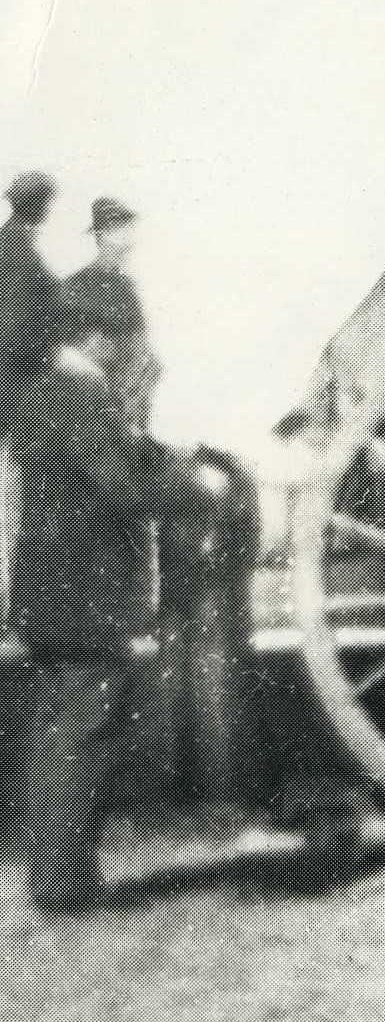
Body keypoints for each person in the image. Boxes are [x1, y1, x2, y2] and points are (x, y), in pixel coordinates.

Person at [12, 295, 225, 911]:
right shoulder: (86, 400)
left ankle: (62, 874)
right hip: (88, 600)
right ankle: (59, 883)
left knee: (61, 727)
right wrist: (190, 485)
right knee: (82, 731)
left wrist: (167, 464)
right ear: (101, 340)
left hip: (45, 597)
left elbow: (117, 463)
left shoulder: (43, 395)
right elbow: (116, 485)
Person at [63, 196, 158, 431]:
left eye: (129, 230)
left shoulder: (127, 287)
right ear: (102, 234)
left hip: (133, 406)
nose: (129, 241)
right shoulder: (76, 285)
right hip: (96, 410)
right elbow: (70, 350)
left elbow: (142, 346)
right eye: (121, 230)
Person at [0, 172, 56, 429]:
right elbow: (15, 318)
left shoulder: (12, 238)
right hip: (16, 365)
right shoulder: (16, 246)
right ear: (36, 204)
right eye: (47, 202)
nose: (49, 209)